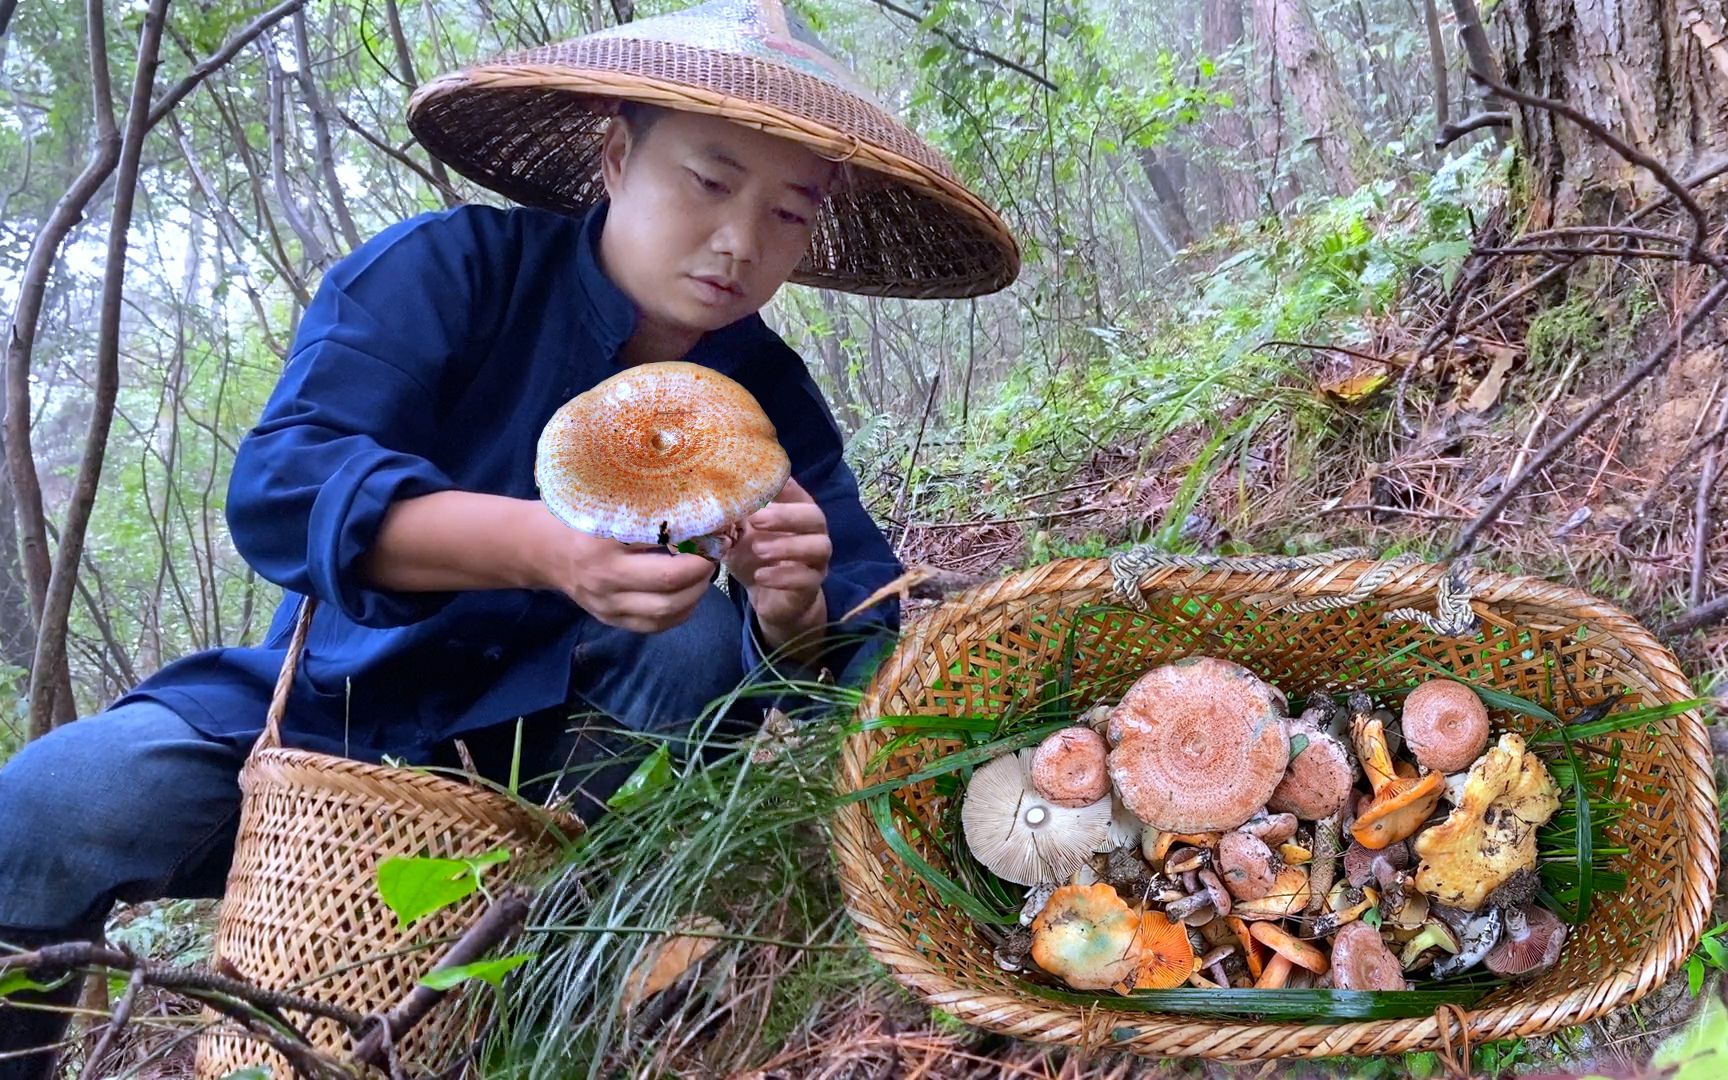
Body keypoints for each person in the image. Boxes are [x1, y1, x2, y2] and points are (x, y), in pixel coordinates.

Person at [0, 1, 1017, 1074]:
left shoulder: (768, 399)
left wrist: (793, 613)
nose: (737, 242)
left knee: (694, 641)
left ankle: (561, 973)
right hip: (324, 719)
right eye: (711, 183)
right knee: (36, 814)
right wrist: (548, 549)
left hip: (574, 782)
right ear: (618, 155)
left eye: (788, 213)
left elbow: (861, 642)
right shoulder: (448, 274)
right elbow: (284, 488)